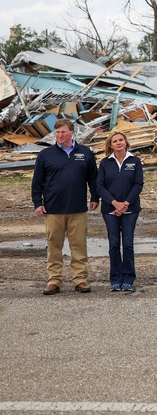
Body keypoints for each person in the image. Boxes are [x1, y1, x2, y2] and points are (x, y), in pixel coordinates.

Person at [31, 118, 99, 295]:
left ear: (71, 133)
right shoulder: (46, 155)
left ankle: (80, 279)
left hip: (78, 209)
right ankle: (54, 280)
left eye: (63, 132)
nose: (60, 135)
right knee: (54, 245)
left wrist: (95, 197)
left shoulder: (85, 153)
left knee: (79, 245)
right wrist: (38, 202)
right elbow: (37, 182)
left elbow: (93, 178)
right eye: (57, 132)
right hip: (53, 209)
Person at [97, 130, 144, 292]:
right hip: (109, 210)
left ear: (126, 142)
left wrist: (125, 204)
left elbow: (138, 184)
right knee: (114, 244)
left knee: (128, 244)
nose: (118, 143)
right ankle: (115, 279)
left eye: (121, 140)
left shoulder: (135, 161)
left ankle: (129, 278)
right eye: (115, 141)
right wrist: (115, 204)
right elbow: (100, 187)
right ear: (110, 145)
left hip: (130, 209)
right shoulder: (104, 163)